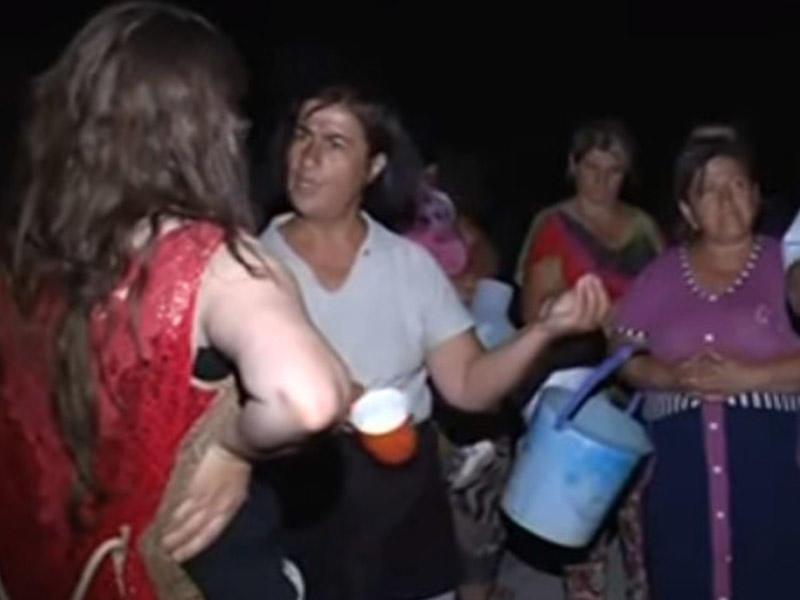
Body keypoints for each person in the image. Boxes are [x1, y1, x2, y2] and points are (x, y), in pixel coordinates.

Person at [0, 4, 353, 599]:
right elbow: (308, 397)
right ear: (206, 128)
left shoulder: (26, 248)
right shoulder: (207, 259)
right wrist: (232, 445)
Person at [259, 85, 610, 600]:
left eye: (334, 143)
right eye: (302, 136)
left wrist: (544, 330)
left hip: (401, 501)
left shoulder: (410, 266)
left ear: (373, 167)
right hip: (296, 496)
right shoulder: (250, 266)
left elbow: (468, 385)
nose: (308, 157)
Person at [613, 134, 800, 599]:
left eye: (736, 185)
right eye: (709, 191)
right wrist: (669, 377)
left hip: (775, 472)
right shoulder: (661, 274)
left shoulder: (788, 266)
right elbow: (623, 356)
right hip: (681, 478)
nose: (726, 200)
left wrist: (749, 378)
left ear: (755, 195)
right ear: (689, 210)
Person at [512, 120, 662, 600]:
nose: (601, 180)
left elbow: (670, 295)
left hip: (635, 372)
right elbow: (536, 313)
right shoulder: (553, 224)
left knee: (645, 500)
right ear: (573, 167)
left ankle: (645, 586)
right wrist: (603, 317)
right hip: (570, 374)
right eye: (592, 167)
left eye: (613, 170)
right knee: (583, 498)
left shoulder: (643, 227)